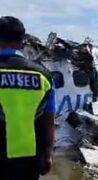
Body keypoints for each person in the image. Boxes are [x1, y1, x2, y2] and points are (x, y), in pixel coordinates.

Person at [0, 16, 56, 179]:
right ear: (23, 42)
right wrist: (47, 155)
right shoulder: (43, 76)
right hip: (29, 159)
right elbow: (49, 121)